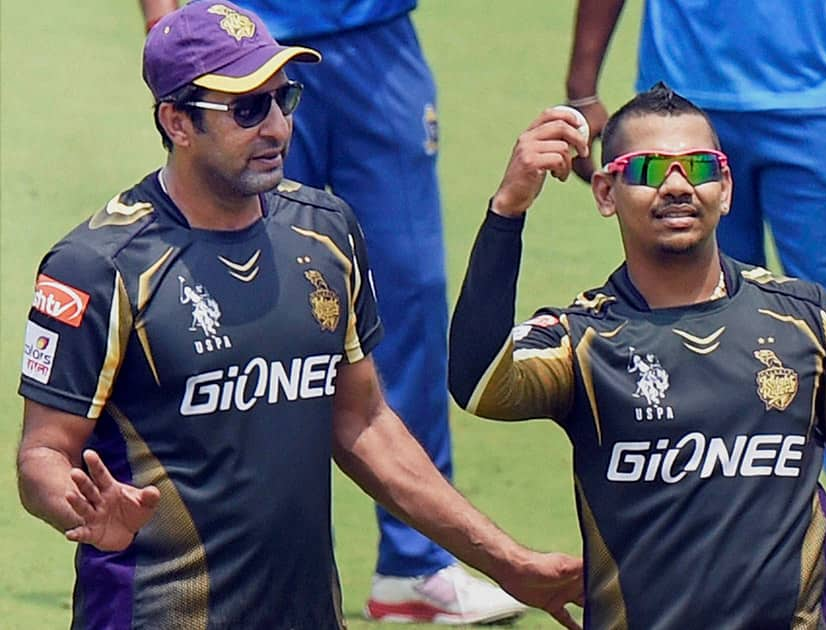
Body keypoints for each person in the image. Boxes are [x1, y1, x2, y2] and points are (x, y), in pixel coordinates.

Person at [15, 3, 583, 628]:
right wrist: (81, 507)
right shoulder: (98, 267)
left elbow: (363, 422)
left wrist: (509, 562)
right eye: (248, 109)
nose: (278, 128)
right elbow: (42, 454)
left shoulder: (324, 231)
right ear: (176, 121)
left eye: (284, 100)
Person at [448, 84, 826, 629]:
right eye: (650, 170)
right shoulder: (585, 339)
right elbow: (481, 383)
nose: (678, 185)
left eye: (699, 167)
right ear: (606, 192)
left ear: (725, 187)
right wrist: (508, 210)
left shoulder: (807, 322)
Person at [563, 2, 826, 627]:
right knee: (709, 342)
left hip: (813, 99)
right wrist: (583, 86)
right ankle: (715, 562)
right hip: (688, 111)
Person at [135, 0, 488, 623]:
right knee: (240, 307)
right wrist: (170, 32)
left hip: (377, 44)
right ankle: (221, 569)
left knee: (411, 295)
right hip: (240, 50)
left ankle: (416, 564)